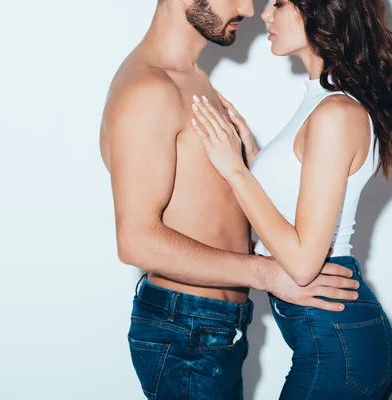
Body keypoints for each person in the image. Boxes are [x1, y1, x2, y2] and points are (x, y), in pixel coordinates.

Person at [99, 0, 361, 398]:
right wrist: (267, 274)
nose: (249, 10)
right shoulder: (149, 89)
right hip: (185, 332)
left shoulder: (192, 79)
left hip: (213, 327)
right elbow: (136, 240)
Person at [190, 0, 392, 398]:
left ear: (323, 11)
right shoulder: (323, 102)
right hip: (332, 341)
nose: (265, 14)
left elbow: (304, 264)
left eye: (280, 3)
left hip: (338, 348)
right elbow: (294, 201)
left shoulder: (336, 113)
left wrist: (235, 172)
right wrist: (250, 156)